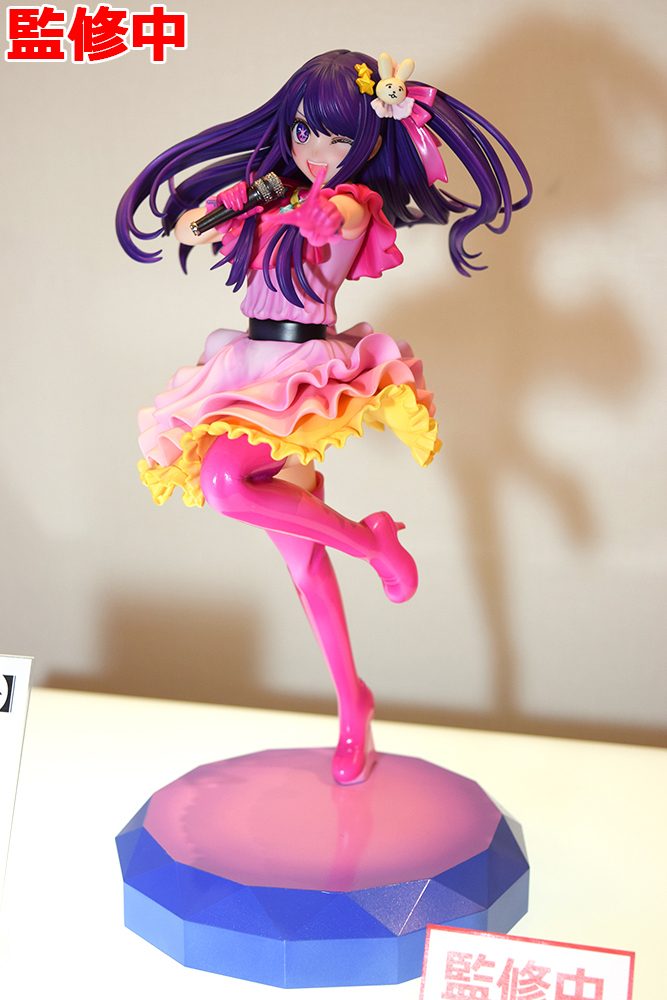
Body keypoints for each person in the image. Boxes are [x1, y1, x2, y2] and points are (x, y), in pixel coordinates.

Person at [116, 49, 531, 784]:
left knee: (225, 483)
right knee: (304, 567)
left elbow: (335, 220)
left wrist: (301, 210)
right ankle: (351, 705)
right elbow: (195, 226)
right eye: (305, 131)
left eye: (338, 138)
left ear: (366, 143)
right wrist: (211, 215)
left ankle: (374, 545)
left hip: (302, 375)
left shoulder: (353, 202)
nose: (316, 150)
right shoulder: (268, 191)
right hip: (247, 367)